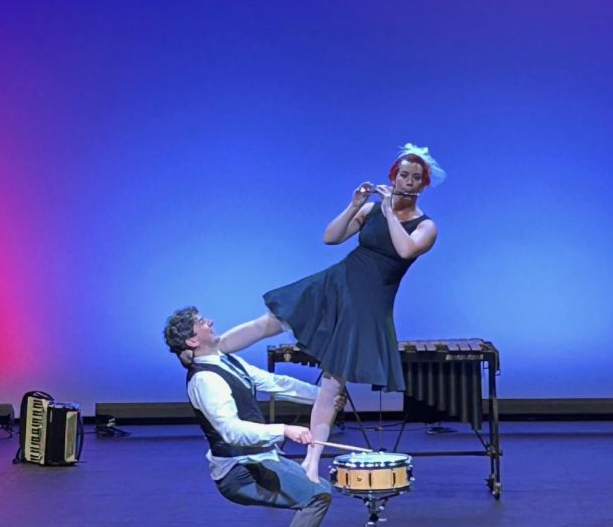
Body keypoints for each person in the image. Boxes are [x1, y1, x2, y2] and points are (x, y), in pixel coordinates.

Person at [190, 144, 444, 483]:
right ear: (393, 176)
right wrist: (355, 205)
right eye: (403, 175)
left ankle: (312, 462)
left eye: (415, 178)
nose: (408, 181)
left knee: (331, 383)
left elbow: (404, 249)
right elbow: (330, 238)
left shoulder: (426, 226)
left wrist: (387, 208)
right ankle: (210, 354)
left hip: (369, 302)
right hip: (337, 283)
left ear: (423, 185)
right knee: (272, 320)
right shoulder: (369, 210)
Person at [164, 306, 332, 527]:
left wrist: (324, 396)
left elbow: (275, 383)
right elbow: (232, 431)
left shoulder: (227, 361)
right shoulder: (205, 380)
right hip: (240, 472)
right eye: (201, 322)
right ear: (192, 341)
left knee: (319, 491)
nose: (210, 321)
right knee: (317, 495)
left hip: (257, 460)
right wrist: (284, 430)